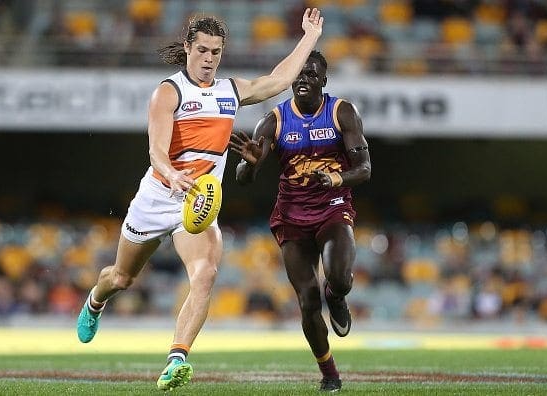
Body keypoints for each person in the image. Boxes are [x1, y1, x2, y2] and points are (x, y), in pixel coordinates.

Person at [76, 8, 324, 391]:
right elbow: (156, 149)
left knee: (205, 274)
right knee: (121, 277)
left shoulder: (229, 92)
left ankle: (176, 359)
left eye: (216, 53)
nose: (209, 59)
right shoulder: (169, 91)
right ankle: (95, 300)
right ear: (188, 48)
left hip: (198, 202)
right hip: (158, 196)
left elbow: (279, 79)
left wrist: (309, 37)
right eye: (203, 50)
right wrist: (172, 173)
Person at [230, 50, 371, 392]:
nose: (304, 78)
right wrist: (249, 164)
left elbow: (364, 169)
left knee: (339, 278)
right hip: (292, 216)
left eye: (312, 74)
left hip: (333, 207)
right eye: (299, 74)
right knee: (307, 300)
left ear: (324, 80)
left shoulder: (342, 112)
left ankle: (336, 296)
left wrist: (336, 179)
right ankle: (329, 373)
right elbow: (243, 177)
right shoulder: (274, 121)